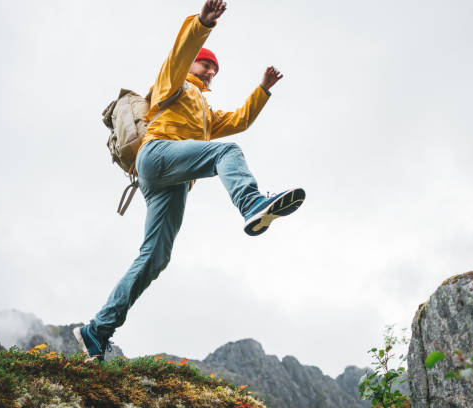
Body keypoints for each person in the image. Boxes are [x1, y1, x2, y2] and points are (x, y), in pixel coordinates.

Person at [74, 0, 305, 362]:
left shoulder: (206, 113)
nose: (210, 70)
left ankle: (97, 330)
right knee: (226, 153)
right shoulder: (173, 83)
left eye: (215, 68)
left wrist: (262, 90)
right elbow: (179, 54)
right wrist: (201, 25)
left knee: (155, 257)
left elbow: (241, 120)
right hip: (157, 154)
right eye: (206, 63)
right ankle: (252, 204)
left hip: (172, 181)